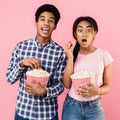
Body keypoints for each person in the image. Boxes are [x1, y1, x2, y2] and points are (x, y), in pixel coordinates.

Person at [6, 4, 66, 120]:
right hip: (23, 112)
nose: (46, 23)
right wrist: (21, 63)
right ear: (36, 23)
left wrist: (44, 91)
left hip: (48, 114)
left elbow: (60, 85)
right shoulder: (21, 47)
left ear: (55, 26)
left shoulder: (60, 52)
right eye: (42, 19)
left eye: (51, 21)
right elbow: (9, 78)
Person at [62, 16, 113, 120]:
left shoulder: (104, 56)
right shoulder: (71, 54)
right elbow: (67, 84)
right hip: (72, 106)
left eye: (88, 30)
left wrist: (97, 91)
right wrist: (70, 58)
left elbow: (107, 86)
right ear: (75, 34)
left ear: (94, 32)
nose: (84, 34)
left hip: (94, 107)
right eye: (80, 30)